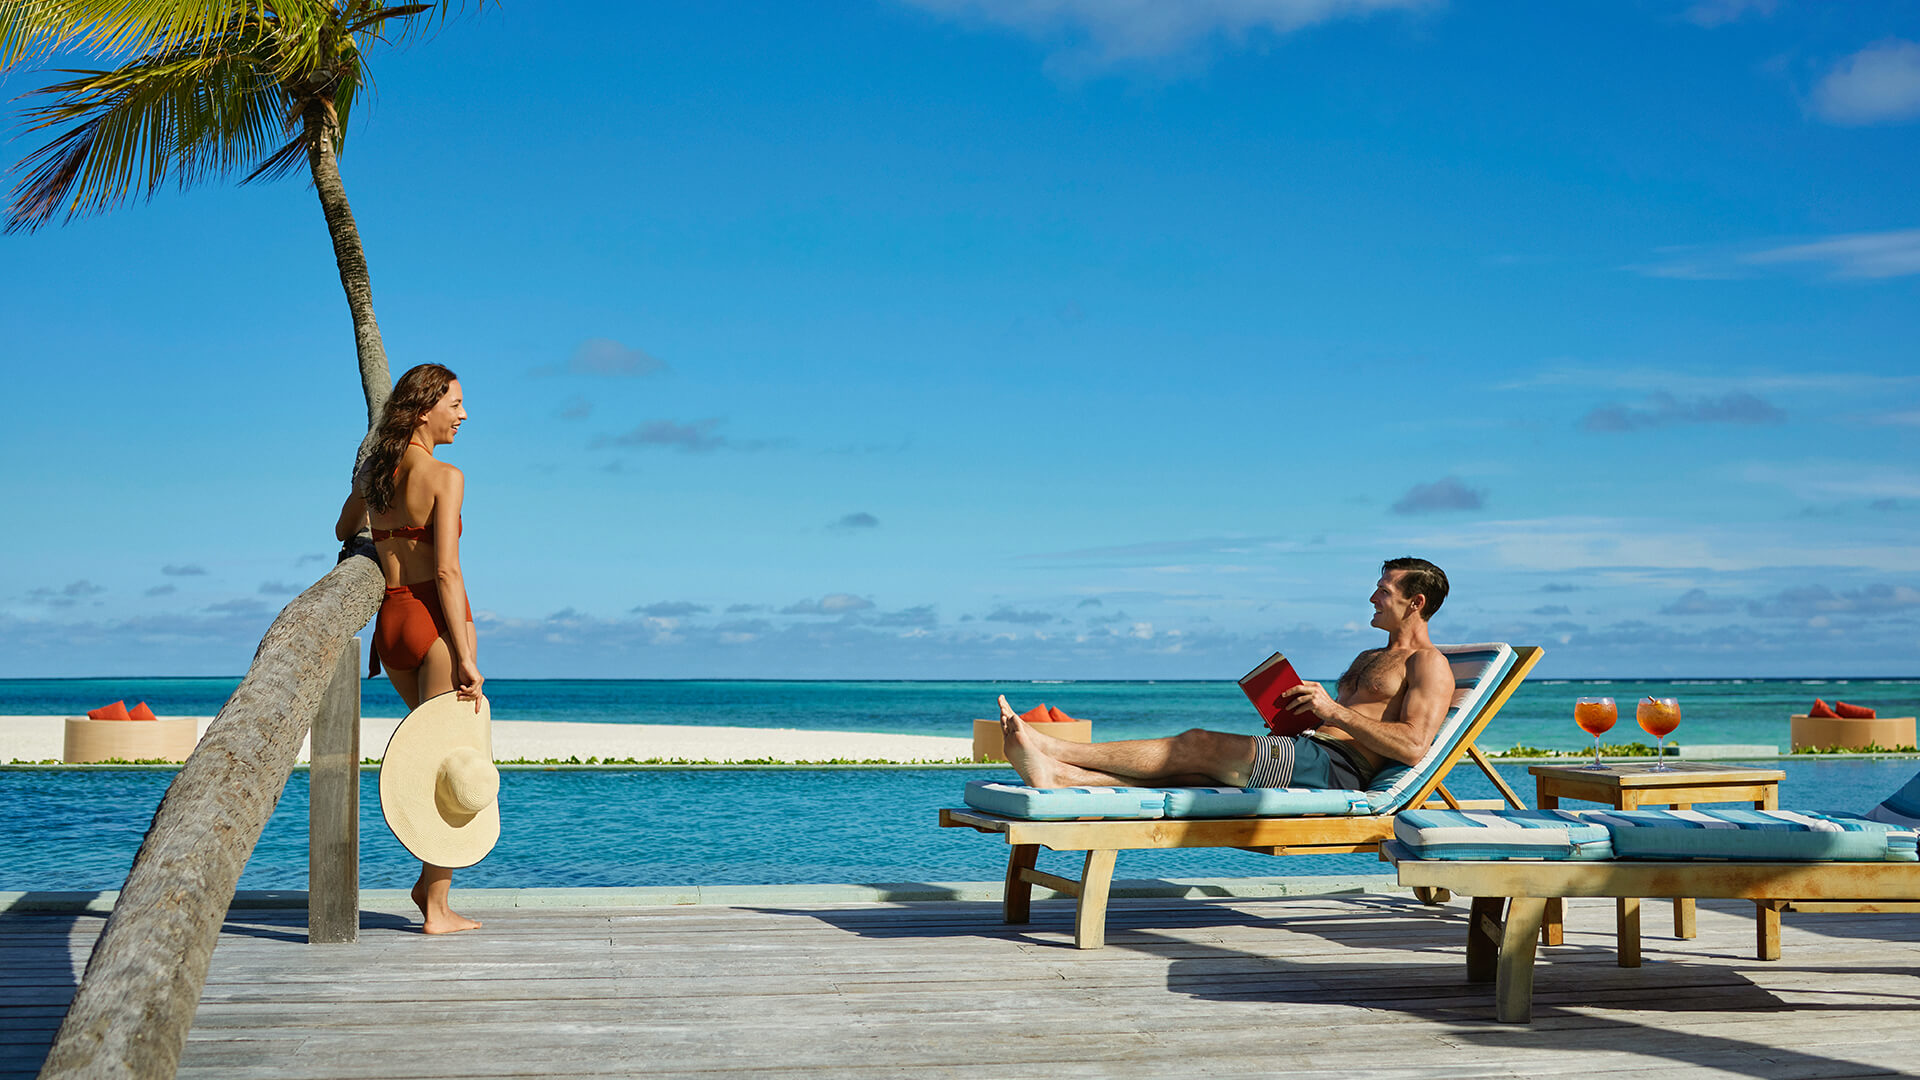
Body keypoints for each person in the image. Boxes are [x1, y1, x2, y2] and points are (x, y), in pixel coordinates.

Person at [999, 557, 1455, 792]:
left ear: (1415, 603)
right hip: (1309, 749)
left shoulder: (1427, 663)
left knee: (1197, 743)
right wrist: (1301, 717)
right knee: (1196, 774)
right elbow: (1347, 719)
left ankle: (1053, 746)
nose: (1372, 598)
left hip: (1339, 770)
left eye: (1383, 591)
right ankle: (1061, 777)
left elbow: (1414, 747)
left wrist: (1332, 711)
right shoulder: (1367, 655)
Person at [335, 363, 485, 934]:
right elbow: (447, 571)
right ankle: (437, 907)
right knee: (450, 761)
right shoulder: (447, 477)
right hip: (437, 625)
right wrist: (466, 656)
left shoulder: (378, 470)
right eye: (455, 403)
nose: (463, 414)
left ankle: (430, 887)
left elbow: (346, 525)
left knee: (433, 755)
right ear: (425, 410)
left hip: (392, 623)